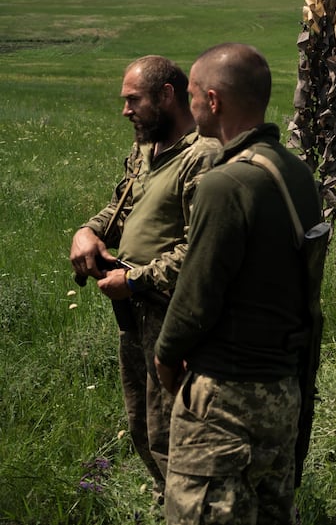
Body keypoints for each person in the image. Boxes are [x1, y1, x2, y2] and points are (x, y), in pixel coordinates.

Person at [155, 43, 324, 525]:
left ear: (214, 100)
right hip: (282, 391)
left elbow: (196, 295)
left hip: (224, 399)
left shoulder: (224, 184)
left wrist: (166, 356)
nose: (189, 107)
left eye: (191, 96)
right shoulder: (295, 173)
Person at [69, 55, 221, 496]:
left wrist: (134, 281)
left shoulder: (202, 156)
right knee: (142, 426)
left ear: (167, 96)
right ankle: (172, 503)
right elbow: (122, 209)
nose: (125, 110)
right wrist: (88, 232)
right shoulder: (144, 150)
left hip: (174, 315)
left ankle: (195, 509)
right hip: (133, 311)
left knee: (177, 433)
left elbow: (200, 249)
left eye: (133, 100)